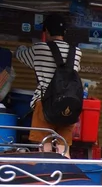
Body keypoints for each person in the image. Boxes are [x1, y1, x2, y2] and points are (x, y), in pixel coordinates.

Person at [15, 14, 82, 158]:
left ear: (46, 31)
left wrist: (20, 47)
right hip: (68, 105)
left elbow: (20, 55)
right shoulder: (77, 52)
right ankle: (65, 176)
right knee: (64, 147)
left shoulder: (39, 48)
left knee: (44, 145)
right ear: (64, 33)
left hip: (44, 103)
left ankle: (47, 175)